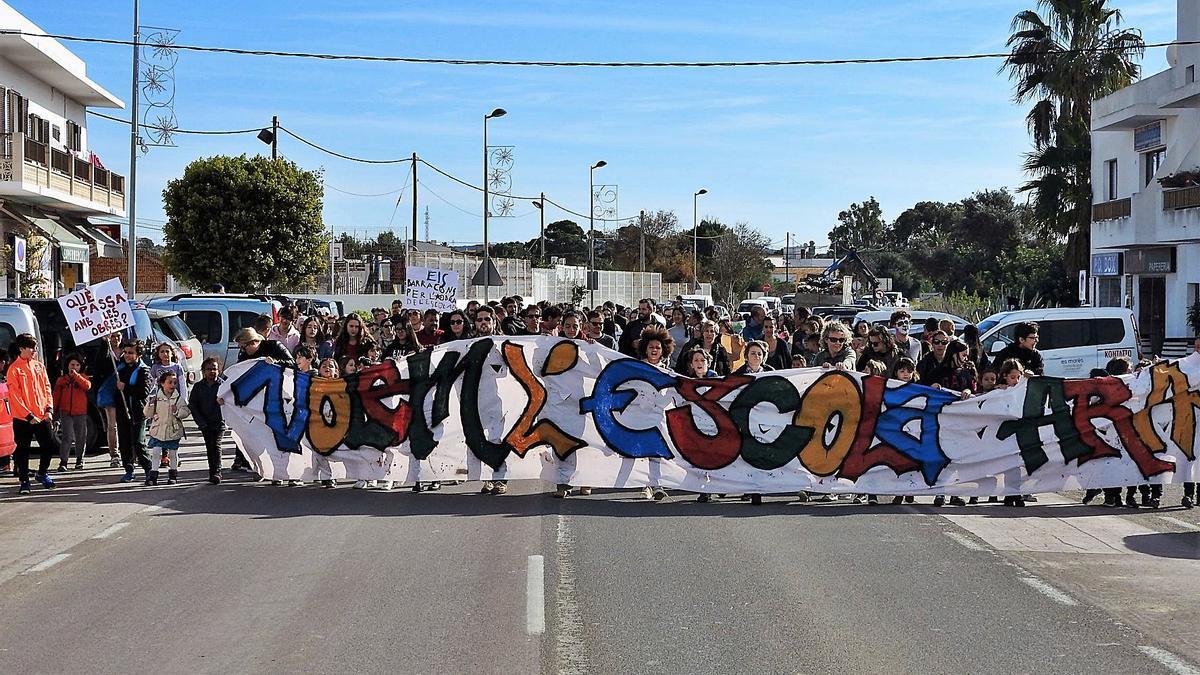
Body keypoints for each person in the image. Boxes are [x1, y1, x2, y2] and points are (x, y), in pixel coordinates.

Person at [8, 334, 57, 493]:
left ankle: (42, 473)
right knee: (23, 450)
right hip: (23, 418)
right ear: (21, 348)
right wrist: (28, 415)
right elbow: (14, 396)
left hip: (42, 415)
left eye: (35, 348)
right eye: (31, 348)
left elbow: (47, 388)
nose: (34, 351)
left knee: (49, 445)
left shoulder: (39, 366)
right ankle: (24, 482)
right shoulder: (14, 369)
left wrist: (49, 409)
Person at [636, 326, 673, 502]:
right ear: (645, 348)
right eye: (651, 347)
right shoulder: (637, 367)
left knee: (656, 451)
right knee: (642, 450)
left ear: (663, 350)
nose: (654, 350)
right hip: (640, 415)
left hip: (659, 417)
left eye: (658, 348)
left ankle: (657, 484)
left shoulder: (668, 372)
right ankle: (645, 485)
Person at [733, 341, 772, 505]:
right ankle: (748, 487)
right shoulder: (737, 375)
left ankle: (760, 486)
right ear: (746, 356)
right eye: (753, 353)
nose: (756, 356)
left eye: (759, 354)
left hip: (766, 419)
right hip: (745, 418)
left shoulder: (771, 373)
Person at [115, 339, 152, 484]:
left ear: (139, 354)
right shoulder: (121, 369)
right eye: (125, 352)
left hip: (137, 412)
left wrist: (126, 388)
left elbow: (143, 392)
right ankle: (129, 470)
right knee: (124, 443)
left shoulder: (144, 370)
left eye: (131, 353)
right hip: (123, 411)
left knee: (138, 443)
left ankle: (149, 468)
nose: (127, 355)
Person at [143, 371, 191, 486]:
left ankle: (173, 475)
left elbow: (186, 411)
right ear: (162, 383)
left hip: (173, 430)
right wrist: (150, 405)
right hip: (158, 430)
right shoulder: (156, 399)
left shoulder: (178, 398)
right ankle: (153, 475)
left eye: (174, 383)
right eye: (169, 382)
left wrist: (177, 412)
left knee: (173, 453)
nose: (172, 385)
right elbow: (147, 414)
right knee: (156, 452)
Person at [190, 357, 227, 485]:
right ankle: (212, 472)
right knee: (209, 446)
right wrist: (200, 422)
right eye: (209, 369)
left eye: (214, 369)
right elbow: (193, 405)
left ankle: (217, 472)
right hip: (205, 422)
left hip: (219, 422)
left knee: (216, 445)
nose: (212, 371)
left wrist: (224, 403)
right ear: (203, 371)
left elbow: (232, 401)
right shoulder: (198, 387)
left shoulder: (223, 385)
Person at [52, 352, 91, 472]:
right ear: (67, 366)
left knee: (81, 437)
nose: (74, 367)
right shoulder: (61, 380)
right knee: (66, 437)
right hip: (66, 412)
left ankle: (80, 459)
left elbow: (87, 386)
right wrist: (53, 411)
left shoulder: (83, 377)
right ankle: (64, 461)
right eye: (72, 364)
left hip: (80, 412)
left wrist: (76, 376)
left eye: (77, 365)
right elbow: (56, 396)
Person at [92, 332, 124, 468]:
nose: (115, 339)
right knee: (112, 425)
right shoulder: (104, 352)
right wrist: (105, 344)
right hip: (109, 392)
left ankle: (130, 452)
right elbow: (99, 368)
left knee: (126, 424)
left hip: (123, 392)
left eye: (118, 336)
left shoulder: (127, 352)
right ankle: (114, 455)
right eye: (112, 336)